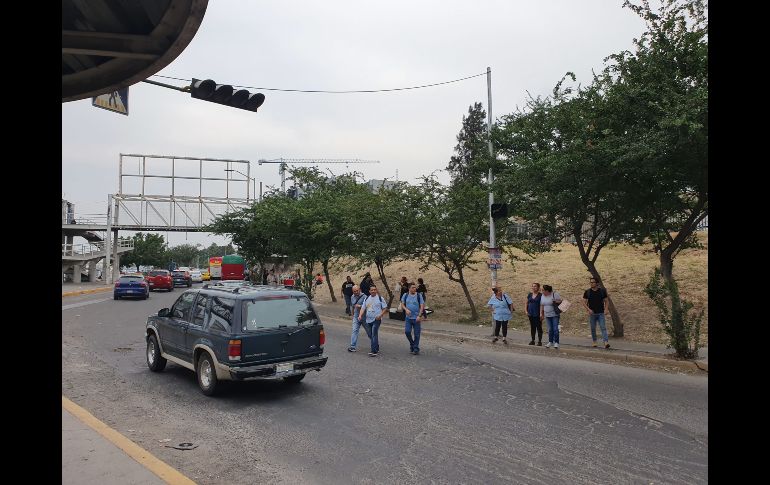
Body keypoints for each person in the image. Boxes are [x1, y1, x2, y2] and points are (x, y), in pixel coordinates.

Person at [359, 285, 388, 357]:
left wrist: (380, 315)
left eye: (375, 289)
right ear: (369, 291)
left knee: (374, 334)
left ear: (376, 290)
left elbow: (385, 308)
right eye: (372, 290)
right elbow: (363, 308)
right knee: (370, 334)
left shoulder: (380, 298)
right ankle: (376, 347)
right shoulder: (367, 298)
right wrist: (360, 315)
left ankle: (373, 351)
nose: (373, 291)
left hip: (376, 319)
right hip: (368, 320)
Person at [583, 277, 610, 349]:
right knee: (593, 328)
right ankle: (594, 341)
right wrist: (588, 309)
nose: (591, 284)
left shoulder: (602, 291)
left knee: (603, 327)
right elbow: (584, 302)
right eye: (590, 282)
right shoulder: (587, 292)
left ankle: (606, 342)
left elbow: (606, 301)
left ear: (597, 283)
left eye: (593, 282)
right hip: (592, 314)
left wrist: (606, 309)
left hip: (601, 313)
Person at [401, 283, 425, 355]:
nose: (415, 289)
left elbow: (422, 306)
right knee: (407, 332)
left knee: (417, 334)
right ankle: (412, 344)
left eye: (415, 287)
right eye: (413, 287)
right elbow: (402, 304)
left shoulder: (419, 295)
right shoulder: (405, 295)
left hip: (416, 318)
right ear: (409, 288)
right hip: (408, 318)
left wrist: (419, 315)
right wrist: (406, 309)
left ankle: (416, 349)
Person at [347, 286, 371, 352]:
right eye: (354, 291)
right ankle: (352, 346)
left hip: (364, 317)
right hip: (356, 316)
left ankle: (375, 344)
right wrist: (352, 315)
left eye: (357, 290)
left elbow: (369, 306)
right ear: (352, 291)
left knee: (369, 332)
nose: (356, 292)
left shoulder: (365, 296)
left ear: (360, 290)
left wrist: (360, 306)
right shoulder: (352, 297)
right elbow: (353, 306)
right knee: (354, 330)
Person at [540, 285, 562, 349]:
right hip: (547, 315)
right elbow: (542, 305)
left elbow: (561, 301)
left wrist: (555, 301)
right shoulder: (542, 296)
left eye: (543, 290)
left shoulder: (555, 294)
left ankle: (556, 342)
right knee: (550, 329)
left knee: (555, 329)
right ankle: (550, 341)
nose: (542, 291)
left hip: (554, 315)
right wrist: (541, 313)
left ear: (547, 291)